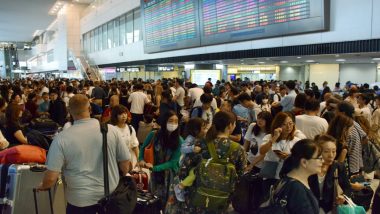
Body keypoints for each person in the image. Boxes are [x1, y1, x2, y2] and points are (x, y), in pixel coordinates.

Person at [36, 94, 131, 214]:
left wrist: (43, 186)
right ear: (90, 109)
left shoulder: (61, 139)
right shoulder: (110, 130)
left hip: (79, 201)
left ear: (69, 111)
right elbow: (125, 163)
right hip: (110, 198)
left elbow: (50, 178)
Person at [138, 110, 184, 211]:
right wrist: (141, 160)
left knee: (169, 205)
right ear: (164, 121)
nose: (173, 124)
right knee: (154, 202)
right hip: (155, 177)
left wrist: (154, 168)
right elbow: (142, 148)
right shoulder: (153, 135)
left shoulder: (180, 141)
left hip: (171, 177)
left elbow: (173, 163)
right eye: (171, 121)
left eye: (176, 121)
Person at [272, 139, 322, 214]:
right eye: (319, 158)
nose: (322, 161)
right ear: (304, 162)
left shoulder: (287, 180)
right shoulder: (296, 189)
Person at [259, 112, 301, 196]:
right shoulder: (269, 137)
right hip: (270, 175)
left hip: (288, 177)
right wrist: (274, 138)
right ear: (277, 126)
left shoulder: (296, 140)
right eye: (284, 124)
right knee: (267, 201)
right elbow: (262, 151)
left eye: (290, 123)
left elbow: (301, 159)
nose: (288, 127)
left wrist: (289, 157)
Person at [309, 135, 351, 214]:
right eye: (326, 151)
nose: (331, 155)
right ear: (317, 152)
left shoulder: (338, 167)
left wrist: (343, 197)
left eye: (334, 151)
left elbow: (347, 188)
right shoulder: (309, 167)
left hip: (329, 208)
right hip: (310, 207)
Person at [174, 118, 207, 202]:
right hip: (186, 163)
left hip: (193, 162)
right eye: (203, 128)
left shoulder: (200, 139)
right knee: (193, 175)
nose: (205, 130)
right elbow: (183, 148)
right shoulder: (190, 138)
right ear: (196, 130)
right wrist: (192, 148)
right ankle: (179, 187)